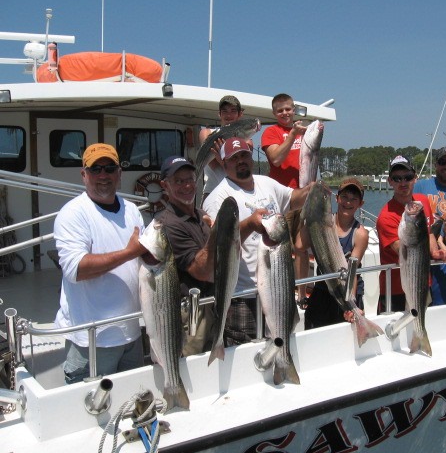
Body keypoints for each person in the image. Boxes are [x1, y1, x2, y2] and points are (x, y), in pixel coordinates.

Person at [54, 143, 148, 384]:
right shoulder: (73, 213)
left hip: (132, 334)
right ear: (84, 175)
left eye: (109, 168)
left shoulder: (132, 211)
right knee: (91, 413)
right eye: (96, 169)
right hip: (93, 340)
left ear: (119, 174)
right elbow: (76, 269)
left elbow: (145, 257)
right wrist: (129, 252)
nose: (103, 175)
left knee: (132, 402)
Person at [202, 137, 311, 346]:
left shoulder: (266, 183)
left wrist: (309, 190)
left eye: (244, 155)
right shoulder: (218, 199)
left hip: (279, 285)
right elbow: (220, 247)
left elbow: (292, 199)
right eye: (234, 158)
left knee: (281, 343)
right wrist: (250, 224)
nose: (240, 160)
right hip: (243, 296)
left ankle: (283, 370)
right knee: (247, 357)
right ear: (224, 164)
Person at [139, 156, 216, 356]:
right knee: (192, 366)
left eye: (190, 179)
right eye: (178, 181)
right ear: (165, 185)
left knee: (214, 366)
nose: (186, 185)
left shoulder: (200, 215)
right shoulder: (167, 224)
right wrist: (219, 233)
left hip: (212, 303)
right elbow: (201, 270)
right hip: (191, 311)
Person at [376, 155, 446, 313]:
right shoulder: (386, 217)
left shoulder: (422, 202)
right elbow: (404, 250)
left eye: (407, 177)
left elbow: (428, 234)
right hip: (394, 289)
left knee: (422, 323)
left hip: (422, 282)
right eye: (397, 178)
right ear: (390, 182)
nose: (403, 183)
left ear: (415, 178)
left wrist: (435, 251)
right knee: (394, 335)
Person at [260, 93, 310, 305]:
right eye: (280, 111)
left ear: (293, 109)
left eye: (288, 109)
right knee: (282, 249)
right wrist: (292, 136)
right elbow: (276, 159)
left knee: (302, 247)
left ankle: (302, 294)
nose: (285, 113)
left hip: (304, 197)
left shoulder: (304, 132)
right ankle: (282, 294)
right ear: (274, 113)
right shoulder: (271, 132)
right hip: (283, 201)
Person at [303, 178, 369, 329]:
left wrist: (350, 304)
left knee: (346, 333)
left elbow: (353, 271)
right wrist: (306, 213)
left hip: (348, 289)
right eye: (344, 197)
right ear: (337, 198)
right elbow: (301, 246)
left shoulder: (360, 234)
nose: (348, 202)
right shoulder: (323, 223)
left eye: (354, 199)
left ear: (360, 204)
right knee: (312, 328)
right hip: (323, 287)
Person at [199, 95, 244, 202]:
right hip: (212, 192)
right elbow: (213, 164)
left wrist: (220, 156)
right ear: (219, 114)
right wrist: (230, 159)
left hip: (237, 192)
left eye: (233, 111)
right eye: (225, 111)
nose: (229, 115)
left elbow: (241, 168)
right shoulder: (207, 133)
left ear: (240, 114)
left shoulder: (246, 140)